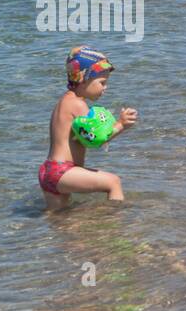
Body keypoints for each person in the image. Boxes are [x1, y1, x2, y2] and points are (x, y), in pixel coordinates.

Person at [38, 46, 138, 208]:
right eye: (102, 83)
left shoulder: (64, 102)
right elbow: (94, 140)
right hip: (63, 171)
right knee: (113, 182)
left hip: (49, 171)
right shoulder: (78, 104)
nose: (105, 88)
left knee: (60, 220)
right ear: (84, 78)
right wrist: (120, 125)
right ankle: (117, 224)